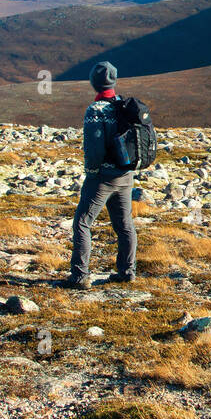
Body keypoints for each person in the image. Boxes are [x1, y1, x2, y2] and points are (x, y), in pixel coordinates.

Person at [63, 61, 137, 289]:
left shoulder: (95, 110)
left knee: (82, 223)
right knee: (124, 224)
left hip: (103, 177)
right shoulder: (122, 106)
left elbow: (94, 149)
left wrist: (92, 173)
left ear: (94, 83)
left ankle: (80, 276)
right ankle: (126, 271)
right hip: (125, 174)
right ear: (113, 81)